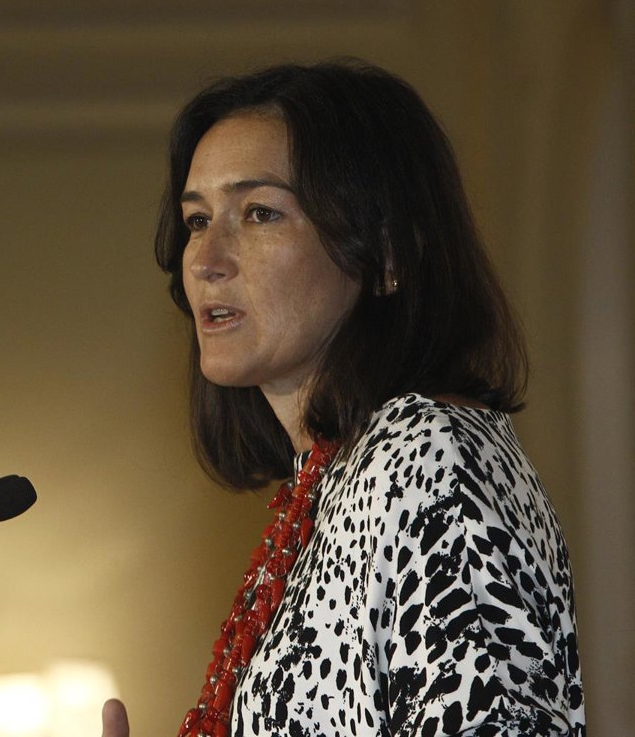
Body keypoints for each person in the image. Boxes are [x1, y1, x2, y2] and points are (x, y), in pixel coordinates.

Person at [101, 61, 585, 736]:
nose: (206, 259)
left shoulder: (429, 459)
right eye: (197, 219)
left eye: (260, 212)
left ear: (386, 254)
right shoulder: (339, 475)